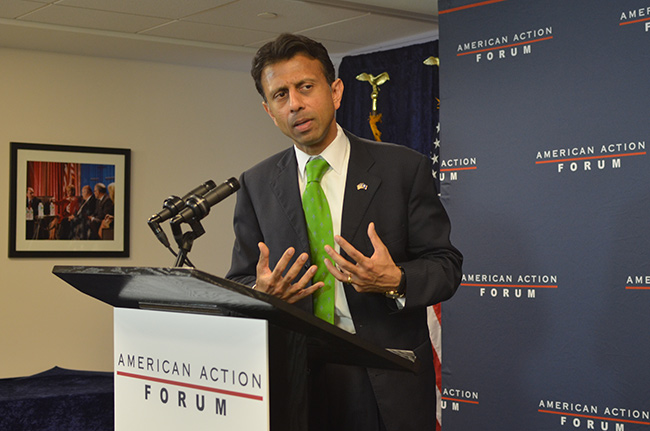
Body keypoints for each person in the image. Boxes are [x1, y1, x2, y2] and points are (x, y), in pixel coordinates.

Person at [226, 33, 462, 431]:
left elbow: (445, 266)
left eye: (305, 87)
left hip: (385, 372)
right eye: (280, 95)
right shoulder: (256, 182)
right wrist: (261, 294)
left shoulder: (403, 169)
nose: (295, 103)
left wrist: (397, 280)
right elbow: (242, 277)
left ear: (335, 91)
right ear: (269, 111)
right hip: (295, 375)